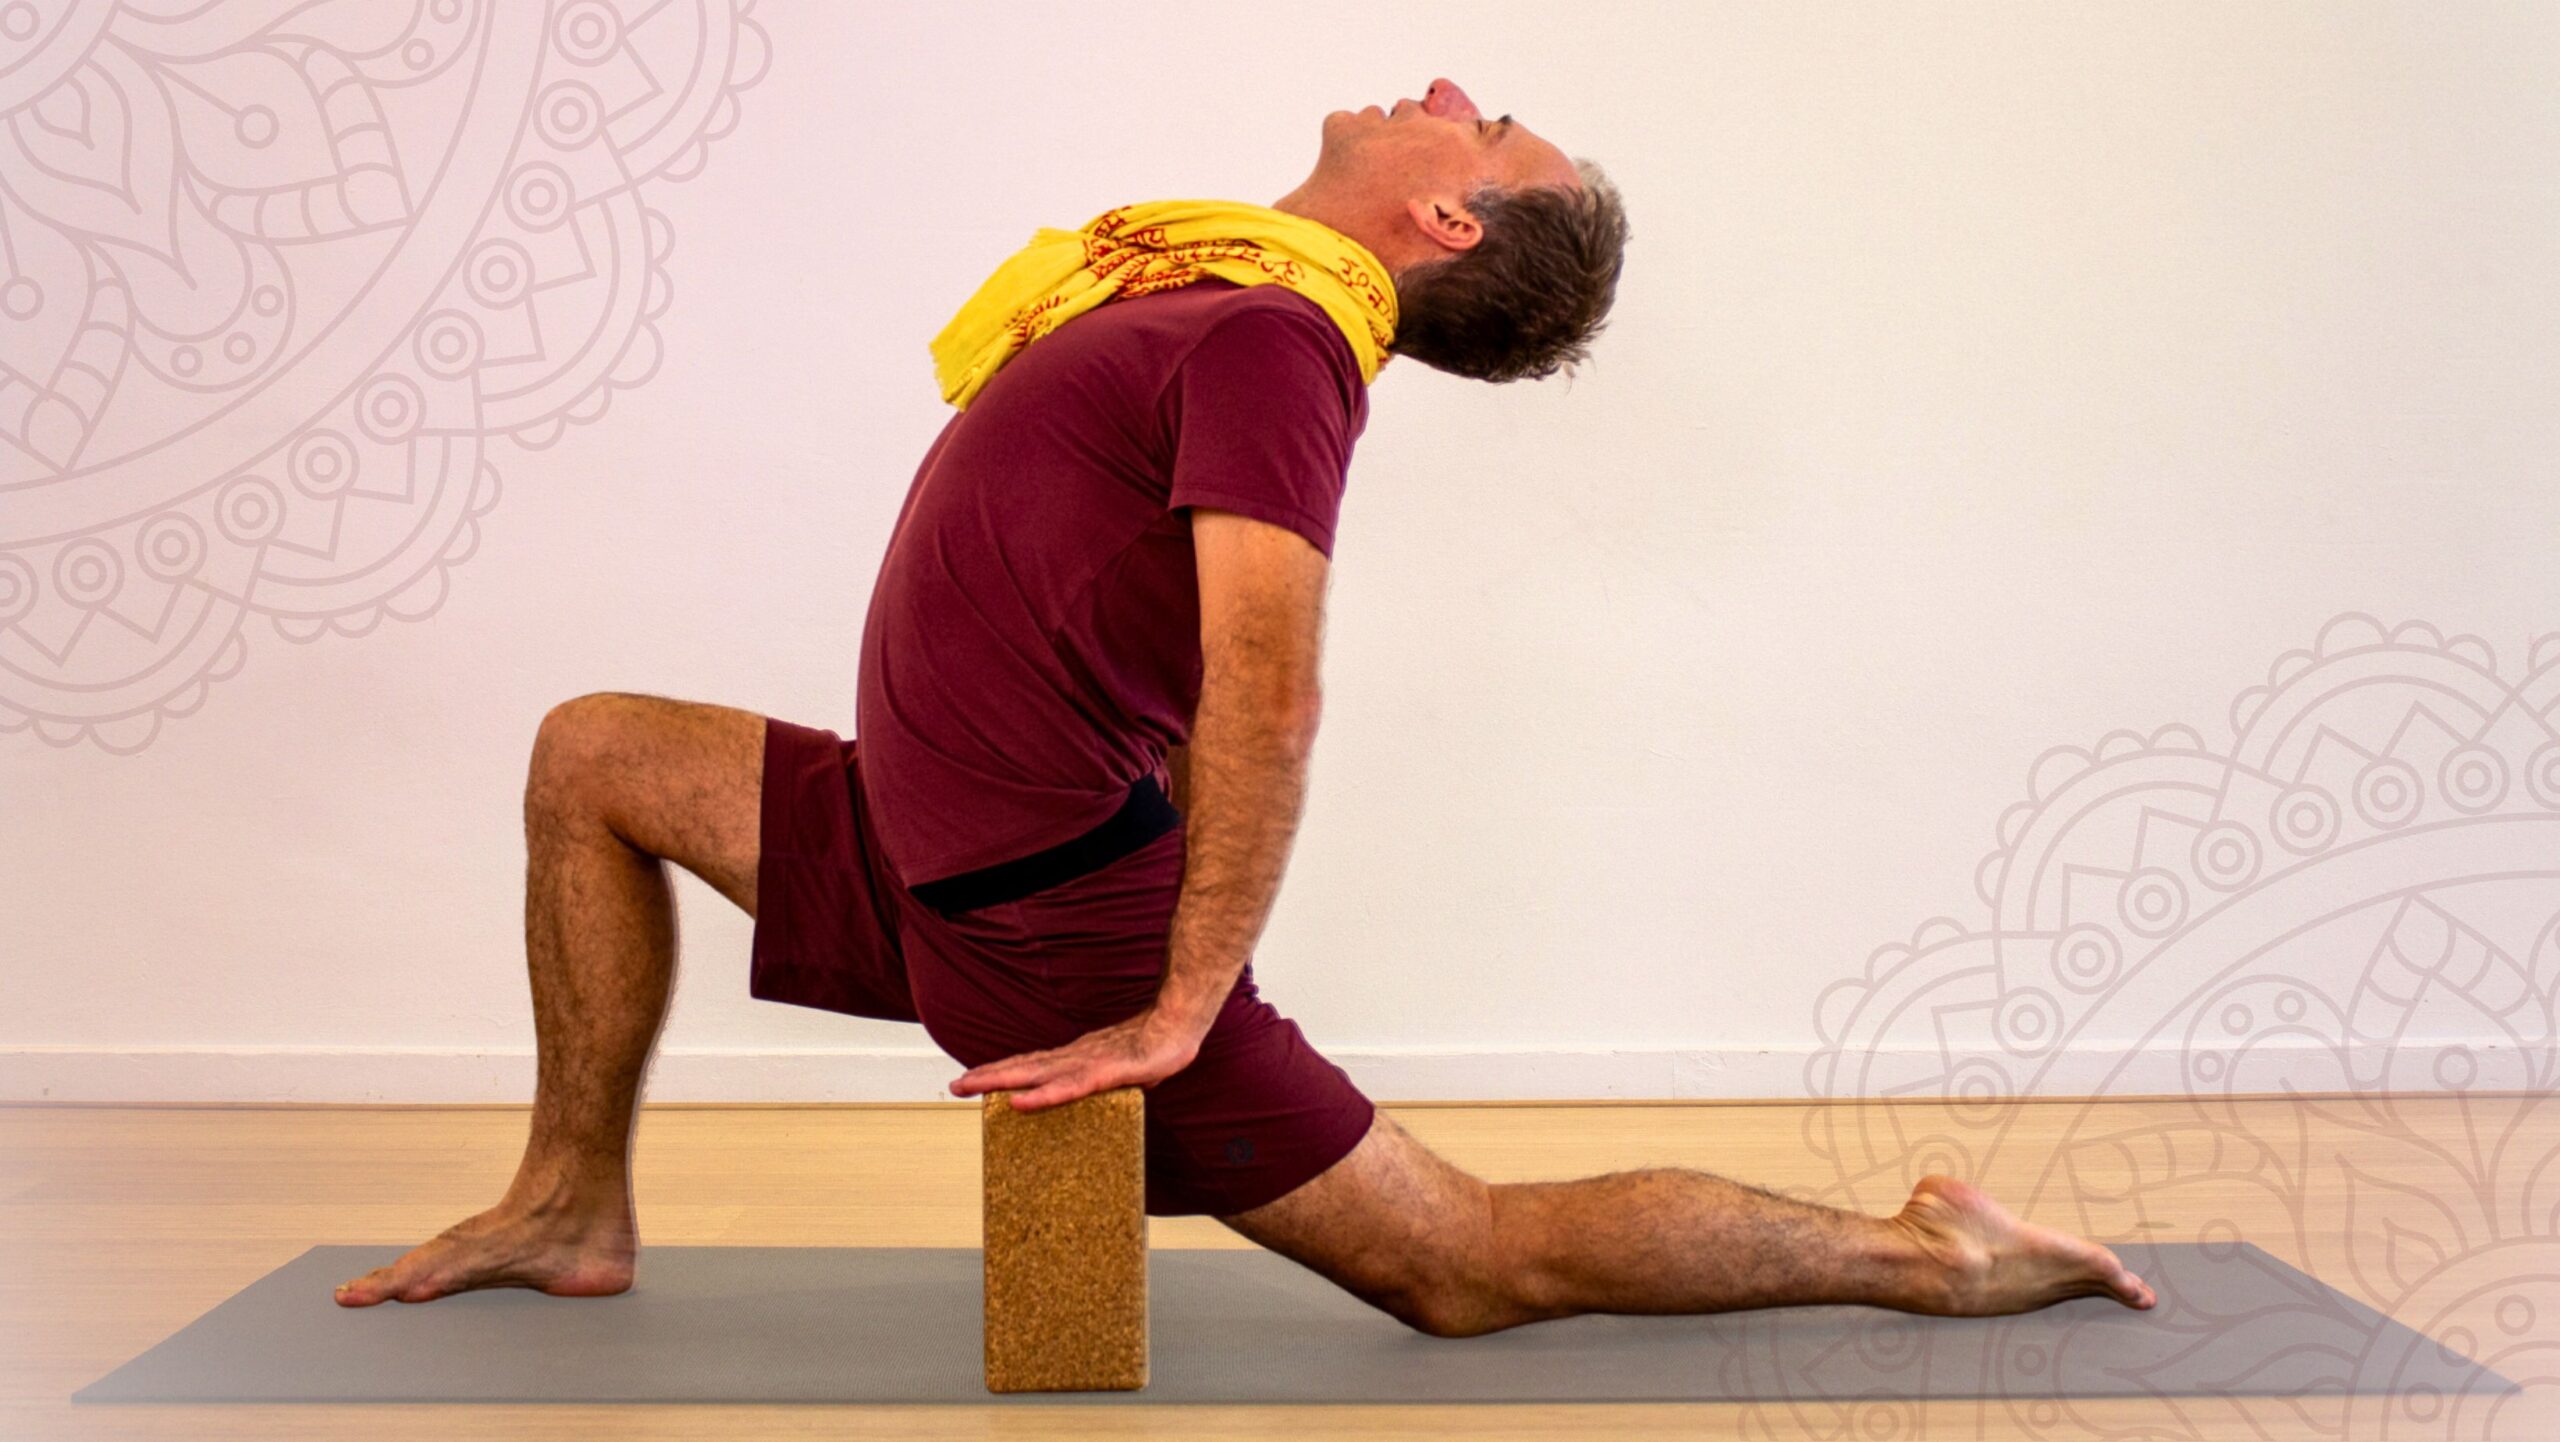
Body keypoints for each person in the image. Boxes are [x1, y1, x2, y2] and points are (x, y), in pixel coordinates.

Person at [335, 78, 2155, 1337]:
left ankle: (1936, 1259)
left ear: (1444, 215)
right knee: (596, 750)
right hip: (914, 835)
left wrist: (1181, 1002)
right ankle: (569, 1199)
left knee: (1468, 1261)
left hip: (1047, 927)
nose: (1448, 87)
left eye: (1486, 122)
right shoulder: (1223, 295)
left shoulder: (1283, 347)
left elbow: (1267, 694)